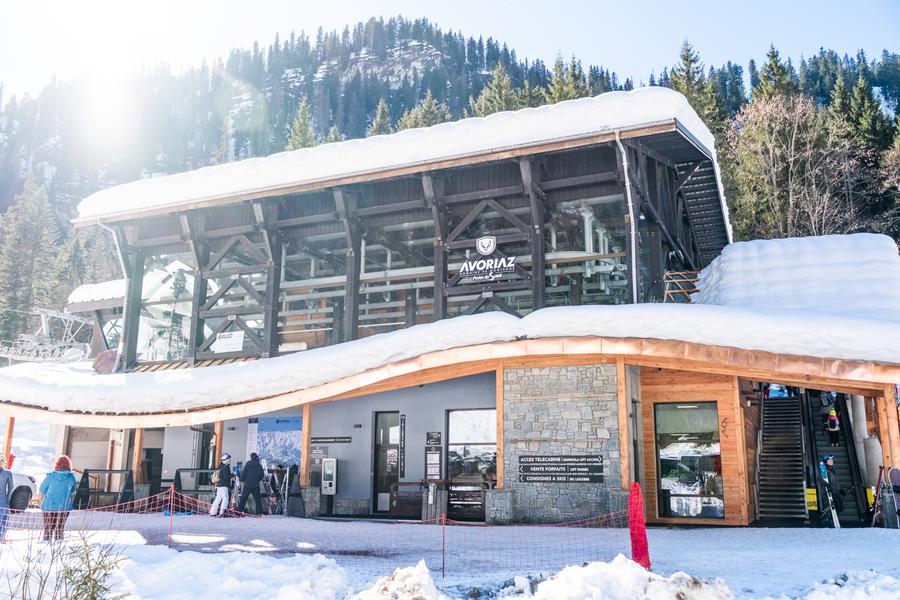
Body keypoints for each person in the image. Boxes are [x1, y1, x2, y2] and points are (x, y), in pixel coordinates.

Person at [39, 455, 77, 542]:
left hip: (49, 507)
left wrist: (41, 503)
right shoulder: (71, 477)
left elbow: (42, 490)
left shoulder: (50, 476)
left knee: (48, 530)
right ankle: (59, 547)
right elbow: (73, 491)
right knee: (60, 528)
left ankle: (46, 546)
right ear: (69, 465)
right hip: (64, 507)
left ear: (56, 464)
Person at [209, 453, 234, 517]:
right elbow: (226, 477)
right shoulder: (226, 467)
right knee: (225, 498)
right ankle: (222, 512)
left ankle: (212, 512)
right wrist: (234, 474)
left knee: (218, 499)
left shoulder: (220, 466)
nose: (230, 460)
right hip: (224, 485)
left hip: (219, 485)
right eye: (229, 459)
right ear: (225, 460)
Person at [0, 455, 12, 542]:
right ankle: (2, 536)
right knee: (3, 519)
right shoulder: (8, 473)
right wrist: (7, 499)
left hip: (3, 500)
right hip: (3, 499)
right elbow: (11, 488)